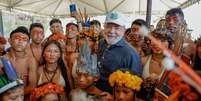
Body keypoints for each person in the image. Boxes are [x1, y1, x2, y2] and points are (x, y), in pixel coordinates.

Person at [96, 11, 142, 94]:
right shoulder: (101, 42)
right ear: (104, 27)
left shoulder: (130, 53)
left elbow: (134, 85)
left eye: (117, 28)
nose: (111, 31)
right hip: (96, 90)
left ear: (124, 30)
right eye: (108, 27)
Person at [4, 26, 37, 95]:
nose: (20, 42)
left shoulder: (31, 61)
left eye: (24, 40)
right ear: (10, 40)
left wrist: (16, 97)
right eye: (17, 38)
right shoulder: (2, 60)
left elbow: (32, 86)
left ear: (28, 43)